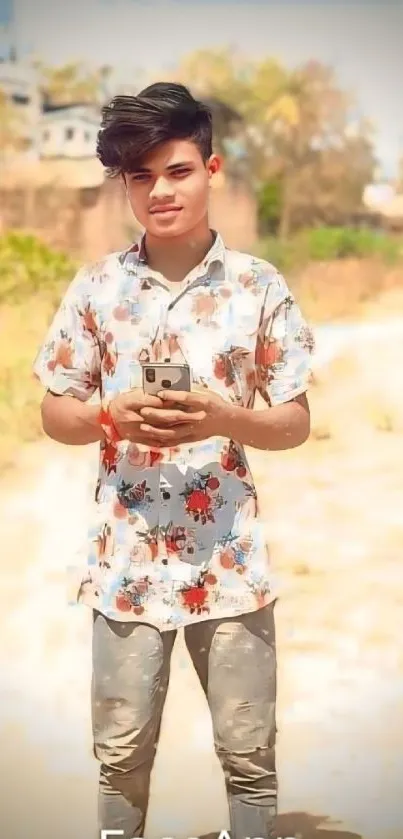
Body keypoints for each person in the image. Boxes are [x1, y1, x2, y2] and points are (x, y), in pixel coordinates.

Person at [33, 82, 315, 839]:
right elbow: (54, 412)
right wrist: (106, 414)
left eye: (177, 170)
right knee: (120, 751)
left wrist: (227, 417)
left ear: (212, 168)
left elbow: (294, 421)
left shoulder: (258, 287)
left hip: (230, 559)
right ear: (126, 184)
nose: (160, 190)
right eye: (140, 176)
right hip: (124, 563)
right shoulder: (97, 288)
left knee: (248, 749)